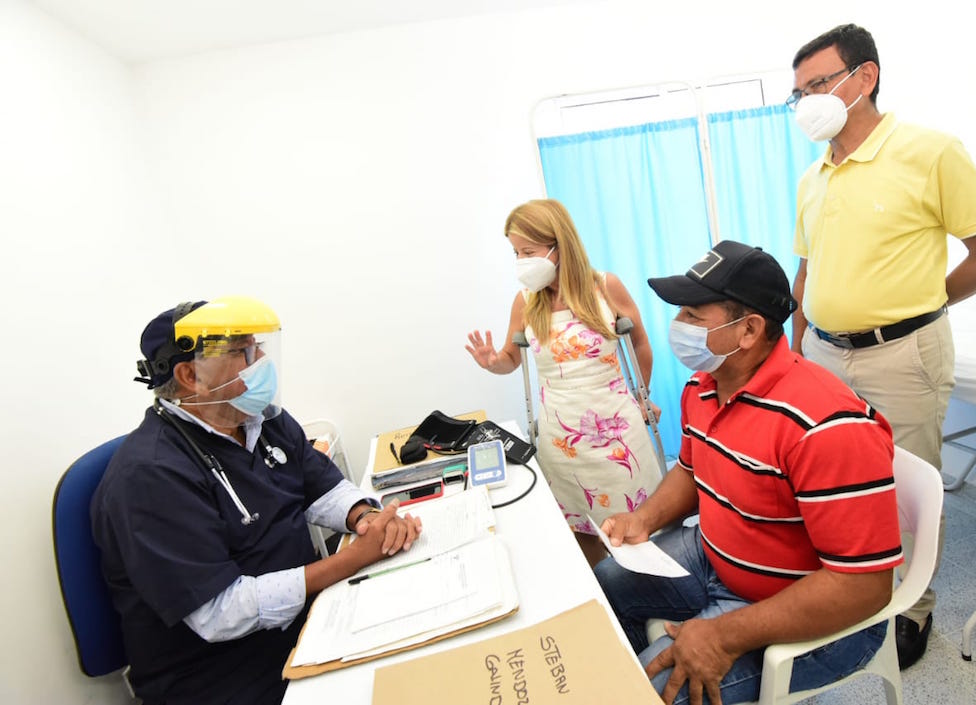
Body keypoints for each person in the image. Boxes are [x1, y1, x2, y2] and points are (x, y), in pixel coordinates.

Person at [786, 23, 976, 668]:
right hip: (826, 354)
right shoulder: (812, 180)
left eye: (819, 84)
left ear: (865, 78)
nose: (807, 101)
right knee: (838, 481)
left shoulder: (931, 151)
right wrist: (798, 352)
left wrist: (925, 302)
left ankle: (913, 607)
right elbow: (806, 273)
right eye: (797, 92)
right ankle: (848, 593)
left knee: (910, 487)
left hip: (904, 353)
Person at [594, 241, 903, 705]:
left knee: (646, 694)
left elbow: (863, 586)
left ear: (749, 330)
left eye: (693, 316)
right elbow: (692, 470)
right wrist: (646, 518)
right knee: (606, 583)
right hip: (718, 556)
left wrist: (722, 636)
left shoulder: (825, 425)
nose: (678, 327)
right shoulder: (704, 386)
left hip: (820, 614)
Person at [91, 297, 422, 705]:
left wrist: (365, 517)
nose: (261, 358)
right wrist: (353, 559)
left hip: (309, 622)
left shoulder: (260, 418)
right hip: (224, 675)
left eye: (258, 346)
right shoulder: (149, 476)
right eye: (243, 351)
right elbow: (220, 612)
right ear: (189, 374)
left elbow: (320, 488)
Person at [466, 198, 663, 565]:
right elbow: (512, 359)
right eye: (515, 253)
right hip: (563, 440)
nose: (521, 261)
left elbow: (639, 343)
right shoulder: (526, 302)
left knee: (634, 532)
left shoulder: (604, 287)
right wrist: (493, 362)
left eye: (529, 251)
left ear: (559, 246)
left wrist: (642, 395)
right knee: (580, 531)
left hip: (617, 434)